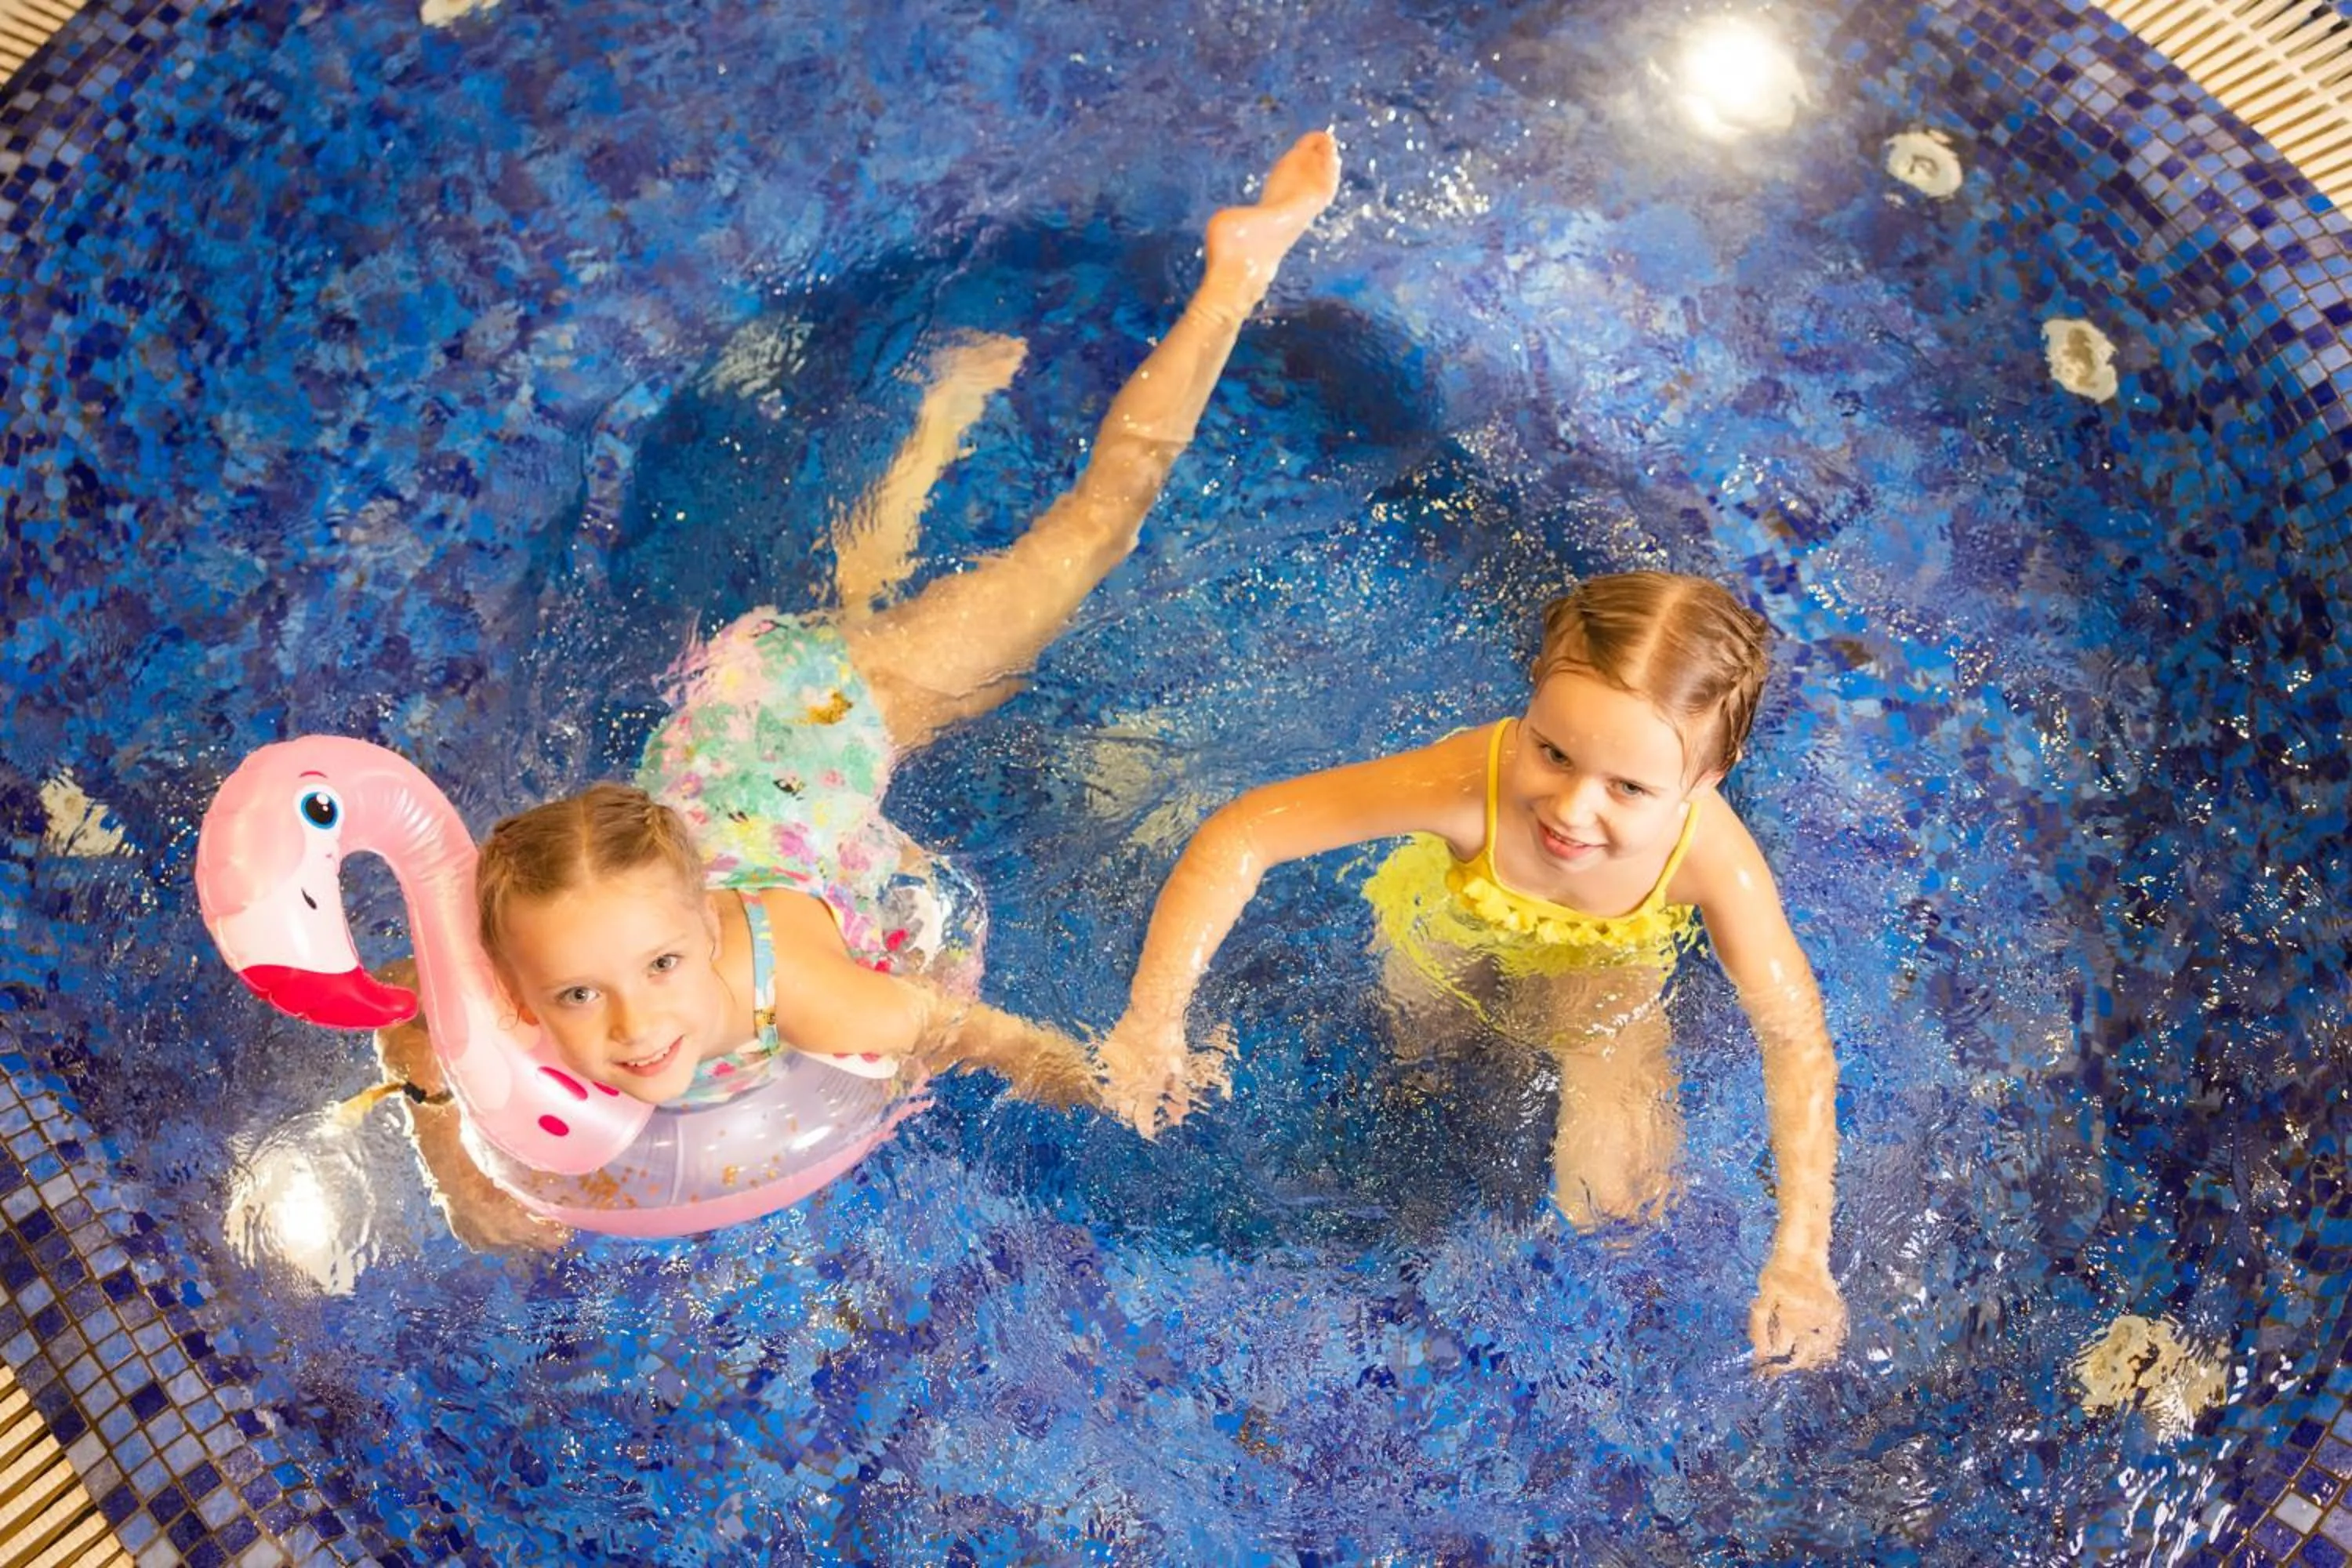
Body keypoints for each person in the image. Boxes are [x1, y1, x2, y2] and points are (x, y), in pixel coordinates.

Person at [381, 131, 1345, 1249]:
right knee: (865, 606)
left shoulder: (812, 991)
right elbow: (408, 1012)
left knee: (1090, 536)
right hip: (734, 736)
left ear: (705, 924)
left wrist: (1110, 1076)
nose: (636, 1023)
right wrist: (457, 1167)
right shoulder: (504, 970)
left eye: (662, 964)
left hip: (824, 720)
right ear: (518, 986)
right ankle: (934, 425)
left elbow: (986, 1039)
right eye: (579, 995)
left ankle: (1236, 275)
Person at [1096, 571, 1846, 1373]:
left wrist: (1802, 1254)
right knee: (1414, 1058)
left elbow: (1794, 1036)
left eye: (1628, 788)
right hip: (1459, 914)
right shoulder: (1468, 782)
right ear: (1532, 697)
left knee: (1617, 1210)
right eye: (1552, 752)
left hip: (1609, 962)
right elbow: (1246, 832)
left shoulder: (1714, 862)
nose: (1571, 809)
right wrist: (1154, 1016)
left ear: (1706, 779)